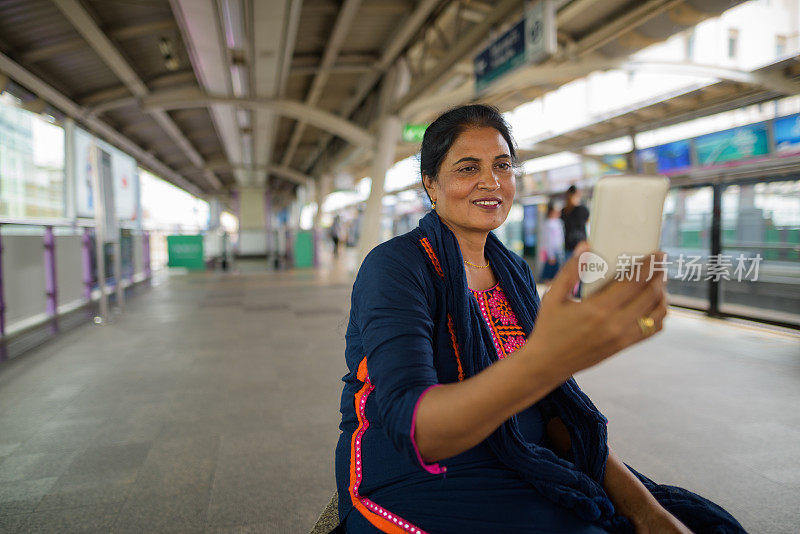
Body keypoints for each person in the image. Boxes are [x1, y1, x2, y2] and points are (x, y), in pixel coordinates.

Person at [334, 104, 744, 533]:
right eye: (468, 168)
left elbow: (556, 410)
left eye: (502, 165)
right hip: (413, 475)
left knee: (706, 524)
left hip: (521, 452)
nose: (491, 181)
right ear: (431, 185)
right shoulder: (396, 267)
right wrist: (550, 358)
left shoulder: (513, 270)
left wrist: (649, 513)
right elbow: (419, 433)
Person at [561, 185, 590, 260]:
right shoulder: (582, 210)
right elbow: (589, 223)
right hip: (581, 247)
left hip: (569, 247)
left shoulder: (564, 211)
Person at [540, 202, 565, 283]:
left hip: (558, 251)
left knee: (556, 274)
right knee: (550, 274)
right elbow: (548, 240)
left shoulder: (558, 222)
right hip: (552, 252)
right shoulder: (548, 224)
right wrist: (551, 255)